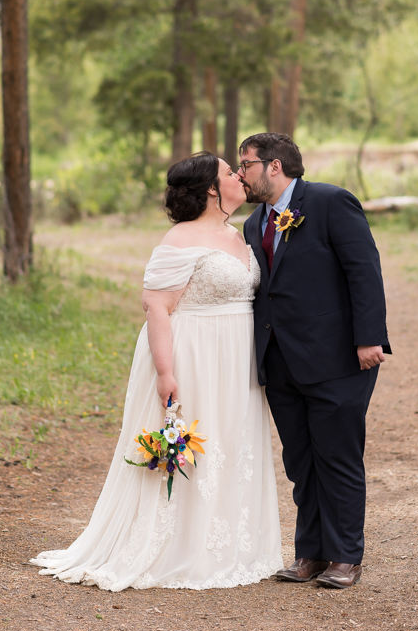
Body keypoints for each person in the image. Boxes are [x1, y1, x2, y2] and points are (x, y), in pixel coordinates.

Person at [32, 153, 282, 590]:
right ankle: (178, 547)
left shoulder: (238, 232)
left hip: (237, 358)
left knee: (230, 440)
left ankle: (229, 545)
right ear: (210, 188)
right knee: (195, 444)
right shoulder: (178, 240)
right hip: (193, 354)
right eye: (229, 172)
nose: (239, 176)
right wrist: (166, 373)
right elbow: (157, 307)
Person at [239, 133, 390, 589]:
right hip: (280, 361)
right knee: (300, 460)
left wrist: (369, 339)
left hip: (338, 357)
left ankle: (346, 555)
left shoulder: (329, 202)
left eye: (245, 164)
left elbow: (363, 270)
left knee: (338, 456)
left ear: (274, 166)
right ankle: (310, 553)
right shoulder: (251, 225)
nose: (240, 173)